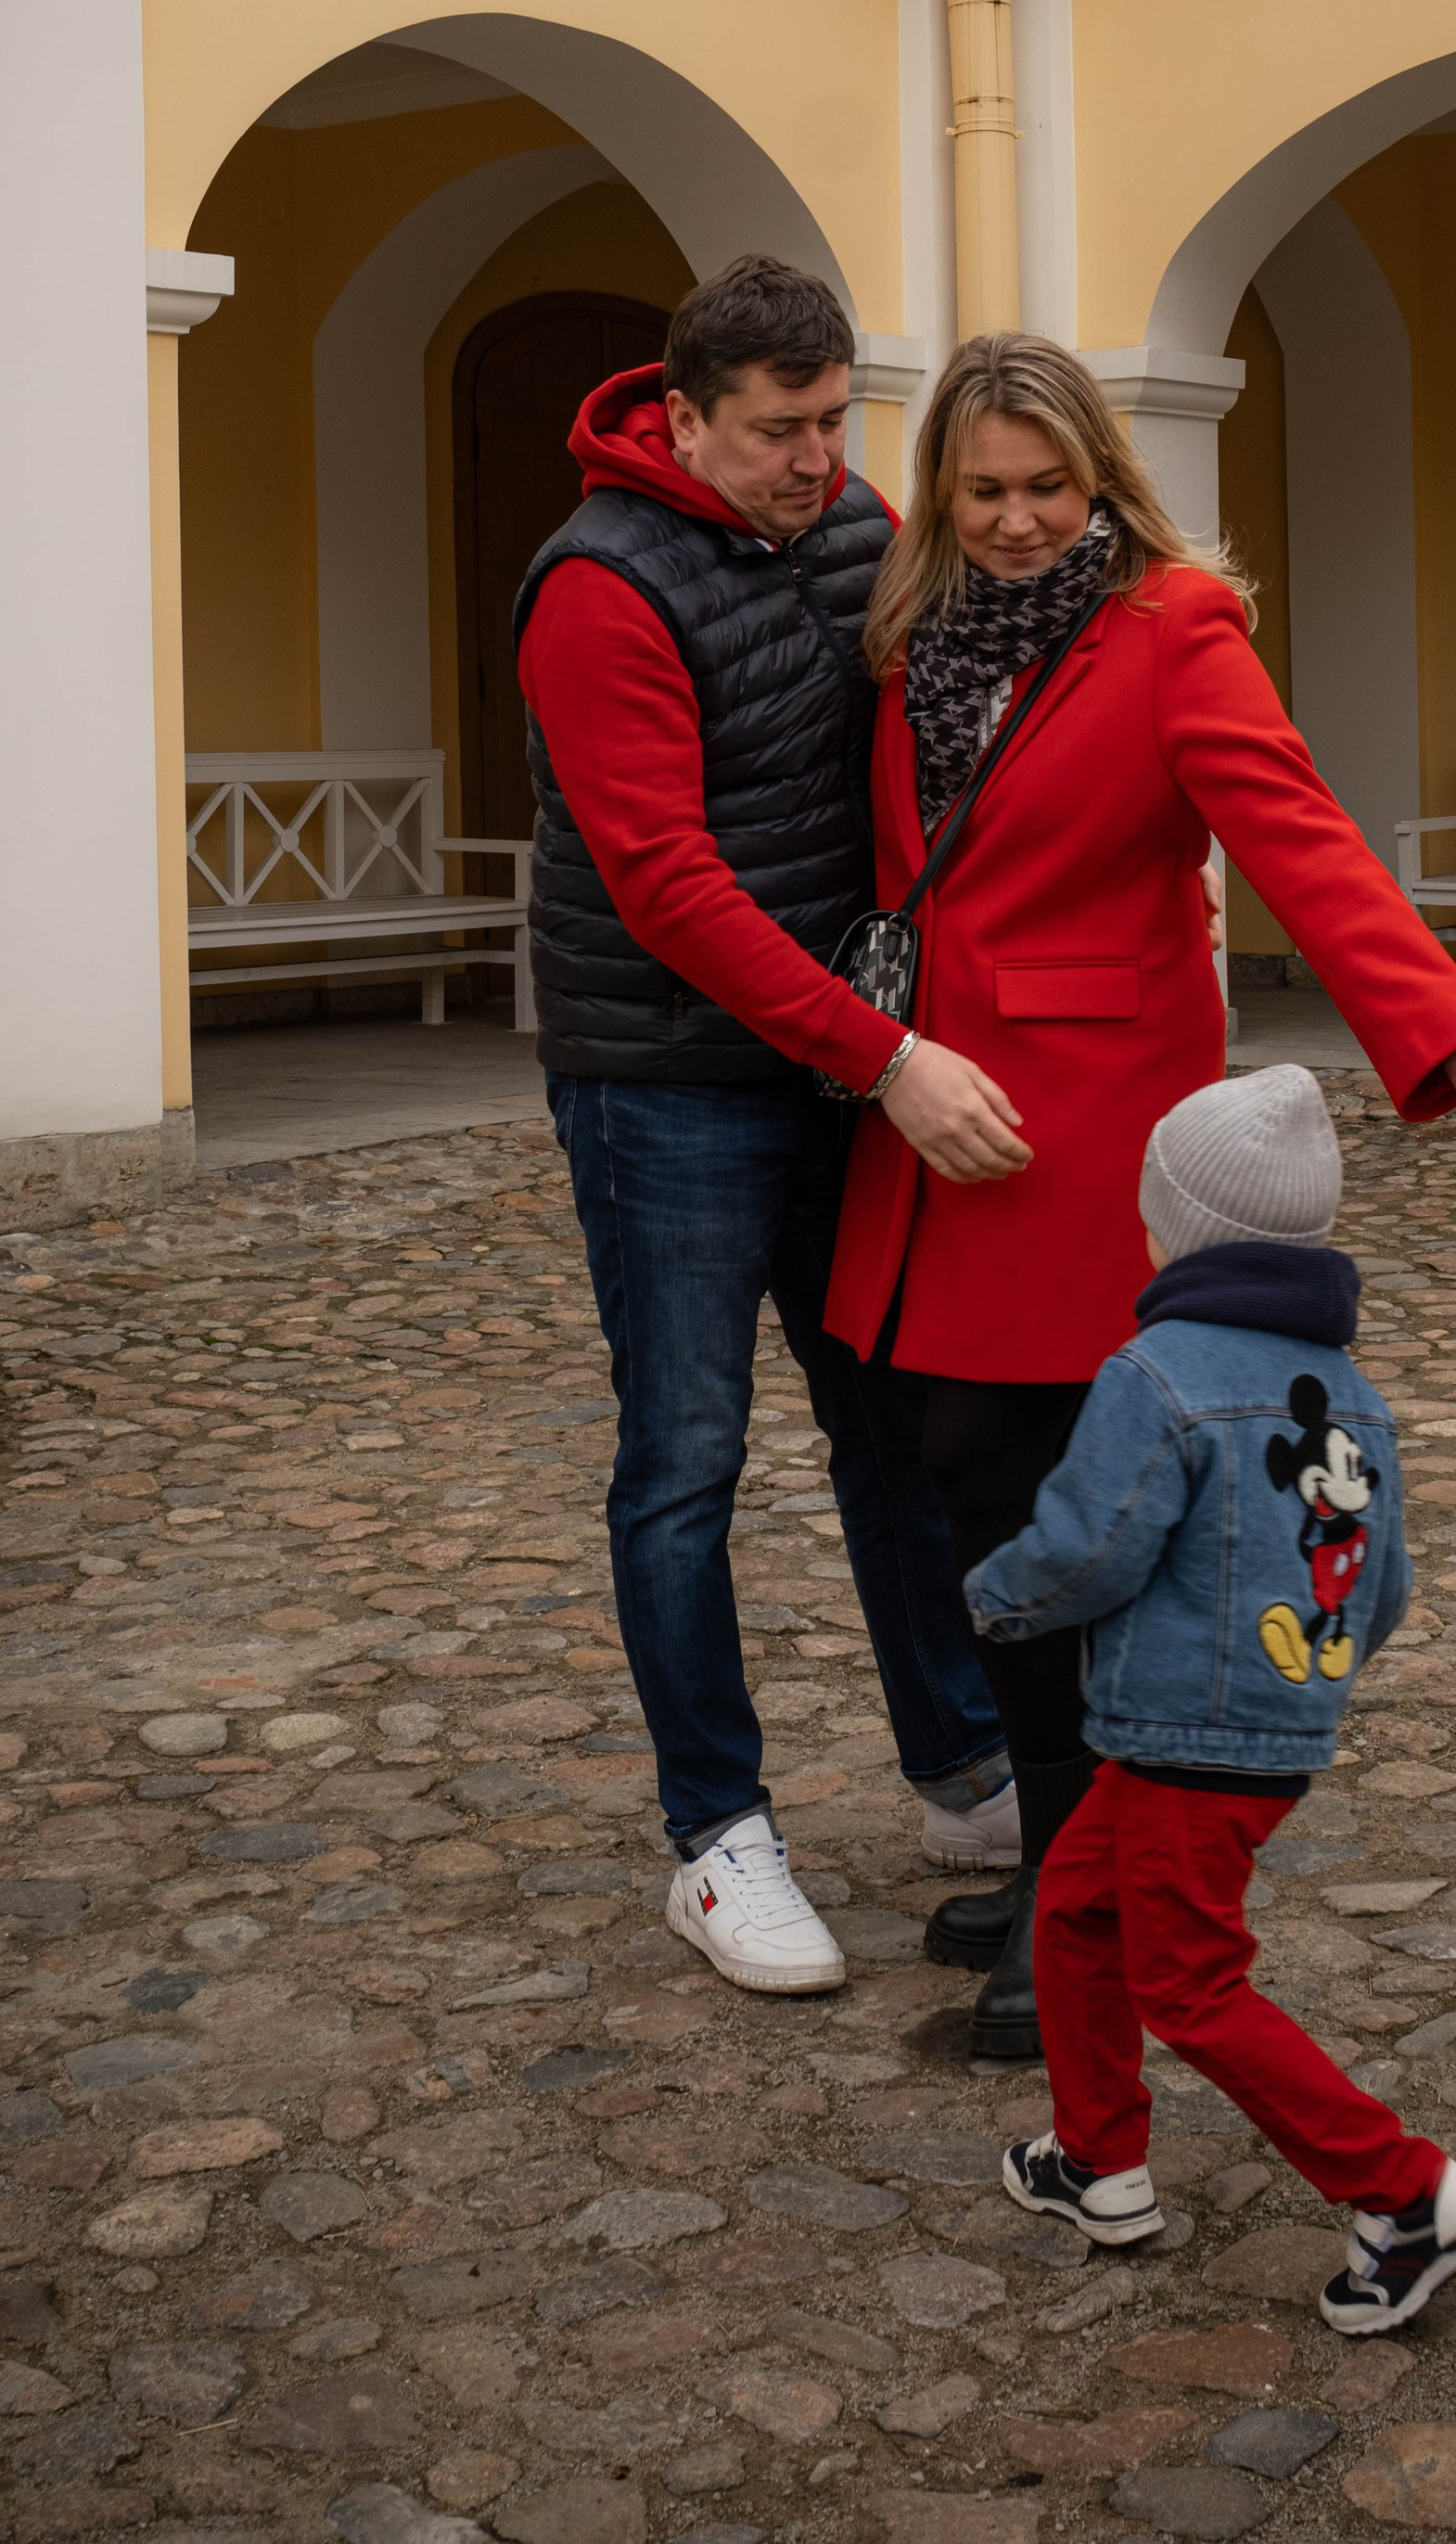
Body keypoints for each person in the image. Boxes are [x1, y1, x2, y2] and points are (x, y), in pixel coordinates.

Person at [824, 330, 1456, 2053]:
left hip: (1082, 1129)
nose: (1015, 520)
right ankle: (1049, 1865)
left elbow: (1300, 837)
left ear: (1104, 480)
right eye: (984, 487)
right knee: (957, 1469)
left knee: (1038, 1489)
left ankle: (1070, 1921)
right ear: (943, 487)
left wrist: (1444, 1033)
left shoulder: (1172, 631)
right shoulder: (908, 632)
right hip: (933, 1121)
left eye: (1048, 486)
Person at [514, 257, 1037, 1997]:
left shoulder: (849, 525)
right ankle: (716, 1840)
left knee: (890, 1419)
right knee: (685, 1463)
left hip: (829, 1062)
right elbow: (666, 886)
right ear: (683, 415)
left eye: (833, 423)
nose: (819, 461)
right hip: (666, 1082)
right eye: (778, 432)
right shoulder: (597, 588)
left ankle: (962, 1769)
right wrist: (885, 1057)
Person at [965, 1065, 1456, 2335]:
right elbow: (1387, 1583)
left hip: (1174, 1738)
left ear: (1172, 1227)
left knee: (1192, 1983)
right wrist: (1302, 1684)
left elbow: (1091, 1544)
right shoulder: (1356, 1399)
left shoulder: (1156, 1373)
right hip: (1265, 1731)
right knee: (1079, 1911)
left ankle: (1407, 2191)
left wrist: (994, 1599)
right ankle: (1097, 2161)